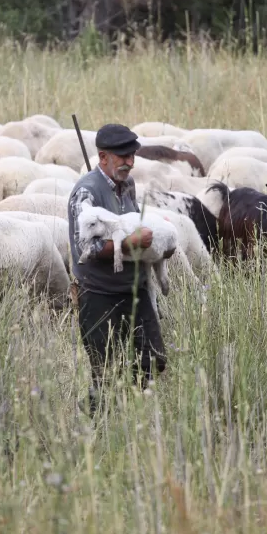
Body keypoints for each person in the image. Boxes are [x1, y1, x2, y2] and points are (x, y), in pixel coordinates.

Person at [67, 123, 167, 416]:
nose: (130, 162)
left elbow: (130, 225)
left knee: (153, 358)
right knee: (105, 372)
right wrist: (127, 245)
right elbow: (85, 249)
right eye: (122, 156)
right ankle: (94, 427)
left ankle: (130, 414)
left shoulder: (129, 185)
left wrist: (157, 243)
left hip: (134, 288)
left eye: (132, 155)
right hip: (99, 295)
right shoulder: (85, 192)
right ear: (103, 157)